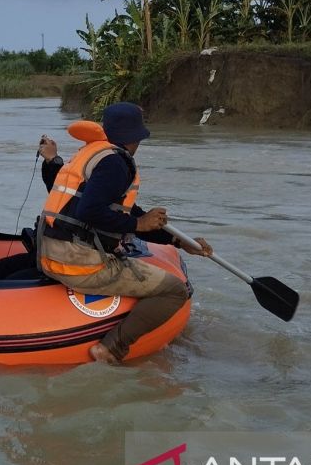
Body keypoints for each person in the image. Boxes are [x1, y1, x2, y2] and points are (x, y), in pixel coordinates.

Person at [37, 102, 213, 363]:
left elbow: (126, 213)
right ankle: (111, 348)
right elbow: (91, 211)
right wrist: (139, 225)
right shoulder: (115, 164)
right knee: (174, 291)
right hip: (77, 263)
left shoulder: (92, 154)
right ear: (136, 137)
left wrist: (178, 241)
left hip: (49, 254)